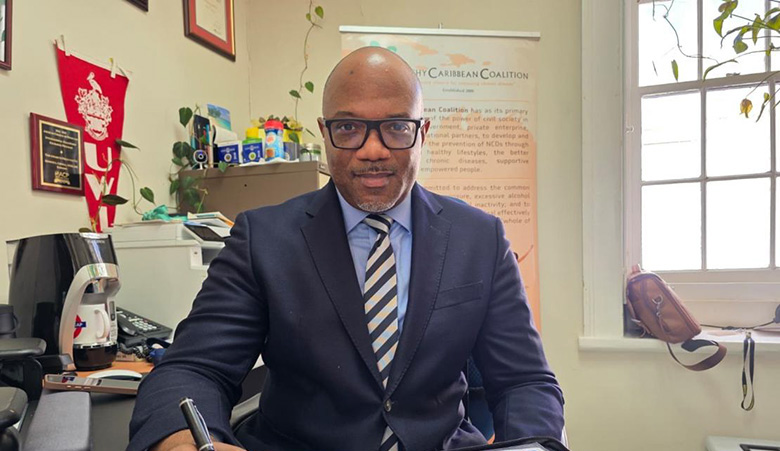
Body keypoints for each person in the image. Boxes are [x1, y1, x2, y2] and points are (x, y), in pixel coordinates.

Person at [128, 46, 564, 451]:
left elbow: (525, 381)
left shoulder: (480, 238)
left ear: (422, 133)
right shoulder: (262, 238)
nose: (373, 150)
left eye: (396, 126)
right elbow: (194, 368)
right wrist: (182, 443)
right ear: (325, 132)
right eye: (349, 127)